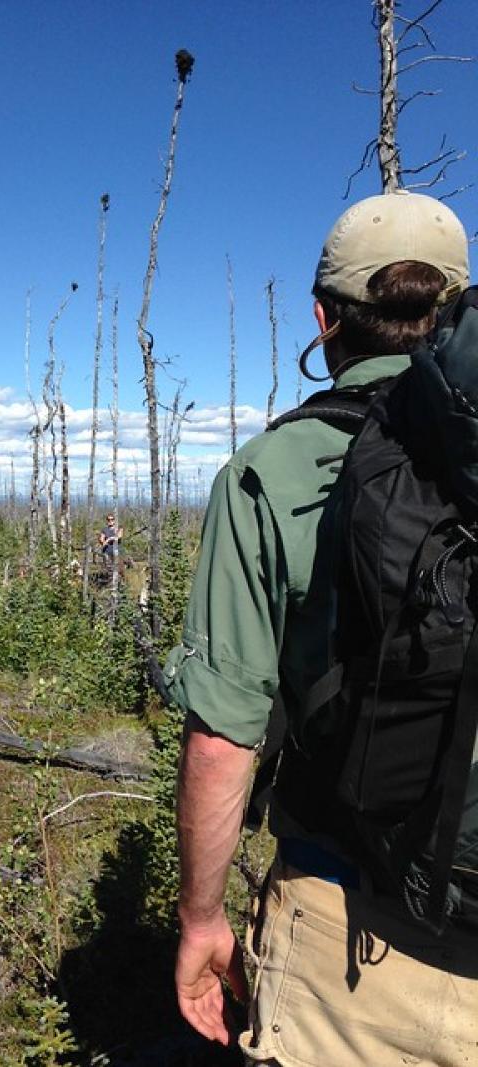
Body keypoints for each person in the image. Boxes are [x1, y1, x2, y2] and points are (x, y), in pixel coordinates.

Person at [165, 190, 477, 1066]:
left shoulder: (273, 472)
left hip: (351, 943)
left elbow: (224, 739)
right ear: (454, 308)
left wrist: (200, 918)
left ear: (323, 318)